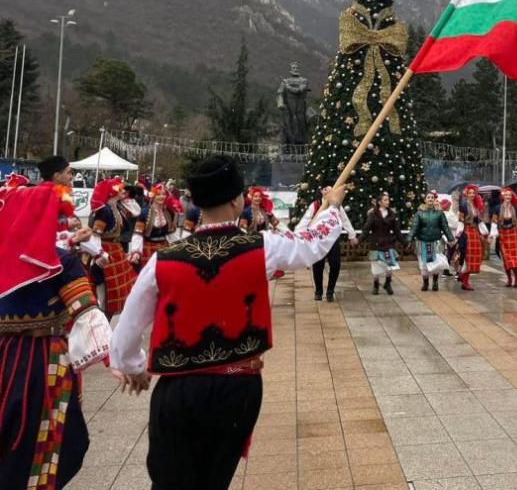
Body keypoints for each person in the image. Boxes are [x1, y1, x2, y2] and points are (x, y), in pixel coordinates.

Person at [109, 155, 346, 490]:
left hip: (179, 389)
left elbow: (127, 329)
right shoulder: (260, 247)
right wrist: (332, 207)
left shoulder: (163, 260)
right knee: (213, 477)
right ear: (238, 200)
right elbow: (310, 245)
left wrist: (132, 367)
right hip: (237, 387)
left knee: (171, 479)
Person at [0, 180, 113, 489]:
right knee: (50, 438)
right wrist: (114, 359)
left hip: (4, 357)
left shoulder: (5, 258)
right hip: (45, 363)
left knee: (9, 433)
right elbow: (87, 314)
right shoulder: (60, 262)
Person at [90, 177, 137, 317]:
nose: (123, 191)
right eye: (120, 188)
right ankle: (103, 323)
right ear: (112, 192)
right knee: (108, 291)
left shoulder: (117, 207)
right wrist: (97, 253)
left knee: (118, 290)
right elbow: (96, 234)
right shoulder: (105, 210)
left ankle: (107, 323)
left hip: (116, 250)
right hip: (106, 251)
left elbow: (136, 211)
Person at [297, 195, 357, 302]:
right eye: (325, 189)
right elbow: (306, 219)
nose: (328, 191)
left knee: (335, 264)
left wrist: (351, 234)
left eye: (330, 189)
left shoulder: (337, 206)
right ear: (322, 191)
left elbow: (345, 220)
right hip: (318, 241)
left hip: (333, 240)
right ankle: (318, 292)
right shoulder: (315, 205)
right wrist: (297, 234)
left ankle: (330, 291)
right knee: (318, 266)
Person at [128, 183, 180, 270]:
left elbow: (172, 234)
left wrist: (179, 247)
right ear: (153, 196)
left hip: (164, 248)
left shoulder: (169, 213)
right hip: (148, 248)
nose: (162, 196)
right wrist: (136, 251)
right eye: (158, 194)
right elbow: (138, 234)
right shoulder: (144, 212)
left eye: (164, 194)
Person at [410, 191, 455, 292]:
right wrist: (409, 239)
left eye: (432, 198)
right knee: (423, 264)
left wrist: (451, 238)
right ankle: (425, 283)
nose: (430, 199)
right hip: (422, 242)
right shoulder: (419, 213)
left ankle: (435, 282)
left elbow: (445, 227)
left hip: (436, 242)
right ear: (425, 200)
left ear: (434, 200)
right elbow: (414, 227)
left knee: (436, 264)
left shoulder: (440, 213)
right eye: (428, 198)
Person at [362, 191, 404, 295]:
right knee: (376, 266)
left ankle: (387, 283)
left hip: (388, 243)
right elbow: (366, 229)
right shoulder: (373, 214)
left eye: (388, 199)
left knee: (389, 266)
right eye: (385, 200)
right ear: (379, 202)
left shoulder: (391, 214)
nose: (387, 201)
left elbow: (396, 230)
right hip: (376, 244)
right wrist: (359, 240)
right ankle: (376, 285)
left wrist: (404, 241)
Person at [491, 187, 517, 288]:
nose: (508, 197)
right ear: (502, 196)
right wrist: (492, 235)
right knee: (506, 259)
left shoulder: (516, 208)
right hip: (502, 235)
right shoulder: (497, 208)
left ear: (512, 197)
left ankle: (516, 278)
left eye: (510, 195)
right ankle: (509, 279)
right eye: (506, 195)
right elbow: (494, 222)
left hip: (513, 234)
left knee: (515, 259)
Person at [456, 185, 487, 291]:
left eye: (474, 193)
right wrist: (458, 234)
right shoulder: (463, 205)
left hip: (474, 232)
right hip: (466, 232)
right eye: (470, 193)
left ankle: (464, 278)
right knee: (467, 256)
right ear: (466, 194)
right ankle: (464, 281)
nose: (472, 195)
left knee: (474, 256)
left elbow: (478, 221)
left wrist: (483, 232)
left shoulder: (475, 205)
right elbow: (460, 220)